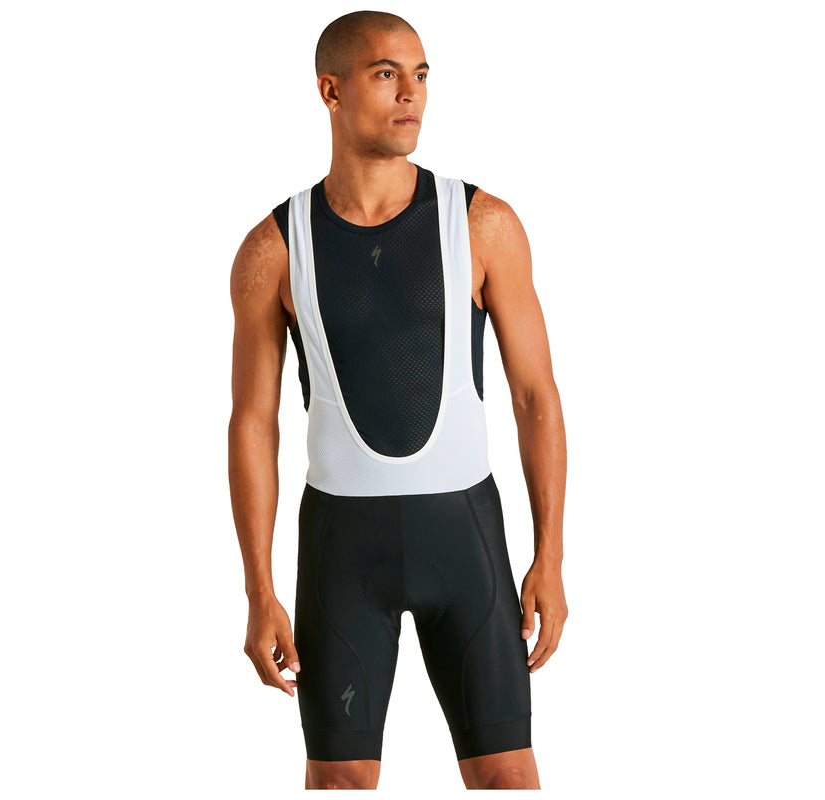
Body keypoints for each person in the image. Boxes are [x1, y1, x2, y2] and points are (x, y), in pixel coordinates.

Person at [228, 10, 567, 790]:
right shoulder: (273, 248)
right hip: (342, 551)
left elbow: (536, 398)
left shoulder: (483, 224)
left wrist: (549, 556)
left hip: (466, 540)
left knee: (506, 775)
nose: (411, 93)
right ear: (331, 90)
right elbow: (252, 424)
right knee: (340, 781)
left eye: (420, 75)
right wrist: (259, 589)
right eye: (386, 74)